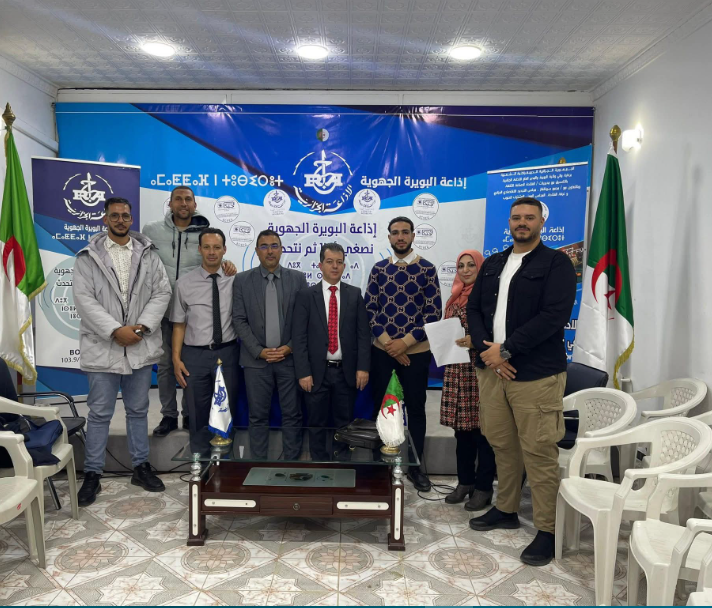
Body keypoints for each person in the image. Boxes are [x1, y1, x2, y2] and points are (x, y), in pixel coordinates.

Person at [467, 196, 576, 567]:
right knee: (503, 445)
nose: (522, 223)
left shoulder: (557, 263)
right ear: (509, 222)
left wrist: (507, 350)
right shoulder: (494, 263)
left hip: (535, 375)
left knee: (539, 452)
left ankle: (548, 530)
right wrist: (489, 352)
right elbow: (474, 310)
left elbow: (554, 316)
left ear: (542, 222)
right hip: (493, 371)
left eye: (529, 217)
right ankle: (506, 509)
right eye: (516, 217)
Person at [73, 197, 171, 506]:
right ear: (105, 219)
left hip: (139, 344)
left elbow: (162, 292)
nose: (120, 220)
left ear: (131, 219)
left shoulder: (148, 254)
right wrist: (116, 330)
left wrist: (141, 328)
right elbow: (84, 299)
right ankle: (92, 473)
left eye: (125, 216)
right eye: (114, 215)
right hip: (104, 345)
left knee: (138, 410)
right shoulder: (87, 257)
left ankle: (140, 467)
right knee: (100, 413)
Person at [143, 186, 236, 437]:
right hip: (161, 310)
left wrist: (228, 264)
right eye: (178, 199)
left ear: (194, 205)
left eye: (188, 199)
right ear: (170, 203)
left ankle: (189, 414)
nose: (183, 203)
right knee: (166, 365)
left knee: (190, 365)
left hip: (192, 313)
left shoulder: (204, 232)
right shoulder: (151, 231)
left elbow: (214, 255)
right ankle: (168, 415)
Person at [365, 216, 442, 491]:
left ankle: (416, 468)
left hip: (416, 353)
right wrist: (390, 344)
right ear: (389, 237)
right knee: (382, 408)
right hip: (382, 352)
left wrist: (405, 343)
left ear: (412, 236)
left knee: (416, 410)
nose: (400, 237)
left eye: (405, 232)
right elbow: (370, 309)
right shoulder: (379, 270)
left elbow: (433, 313)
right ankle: (380, 466)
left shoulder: (427, 269)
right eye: (395, 233)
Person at [232, 229, 307, 459]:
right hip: (256, 362)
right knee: (257, 416)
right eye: (264, 246)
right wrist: (259, 351)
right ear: (257, 251)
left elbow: (305, 319)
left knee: (292, 414)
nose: (270, 251)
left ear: (282, 249)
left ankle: (292, 466)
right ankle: (258, 465)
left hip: (289, 359)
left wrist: (290, 347)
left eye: (274, 245)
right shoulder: (242, 280)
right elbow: (239, 319)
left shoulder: (298, 279)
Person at [292, 243, 371, 460]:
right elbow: (299, 338)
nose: (334, 266)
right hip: (316, 373)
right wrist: (303, 372)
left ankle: (342, 466)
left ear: (344, 266)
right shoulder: (306, 296)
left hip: (346, 372)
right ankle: (319, 466)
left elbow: (363, 335)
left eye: (339, 262)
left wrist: (363, 368)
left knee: (344, 423)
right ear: (320, 265)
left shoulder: (354, 295)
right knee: (316, 423)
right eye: (329, 262)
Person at [171, 228, 239, 447]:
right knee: (197, 413)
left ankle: (226, 464)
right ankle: (199, 463)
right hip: (195, 356)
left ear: (224, 250)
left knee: (226, 413)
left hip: (228, 353)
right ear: (199, 249)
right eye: (207, 247)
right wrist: (176, 359)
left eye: (216, 247)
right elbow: (179, 325)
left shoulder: (235, 280)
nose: (211, 252)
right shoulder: (184, 283)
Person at [440, 249, 496, 511]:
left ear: (480, 267)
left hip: (479, 370)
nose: (465, 270)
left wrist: (474, 341)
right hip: (456, 371)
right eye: (461, 265)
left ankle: (484, 488)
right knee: (461, 432)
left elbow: (494, 332)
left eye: (470, 265)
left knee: (483, 432)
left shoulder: (487, 296)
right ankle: (465, 482)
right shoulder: (454, 297)